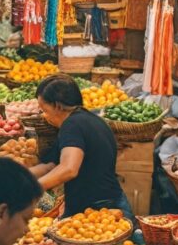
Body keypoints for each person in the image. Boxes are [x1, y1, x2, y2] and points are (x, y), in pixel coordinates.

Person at [30, 74, 132, 219]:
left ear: (58, 106)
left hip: (98, 210)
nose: (44, 116)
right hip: (110, 201)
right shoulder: (91, 120)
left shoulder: (72, 125)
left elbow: (69, 169)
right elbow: (51, 166)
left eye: (45, 110)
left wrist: (33, 188)